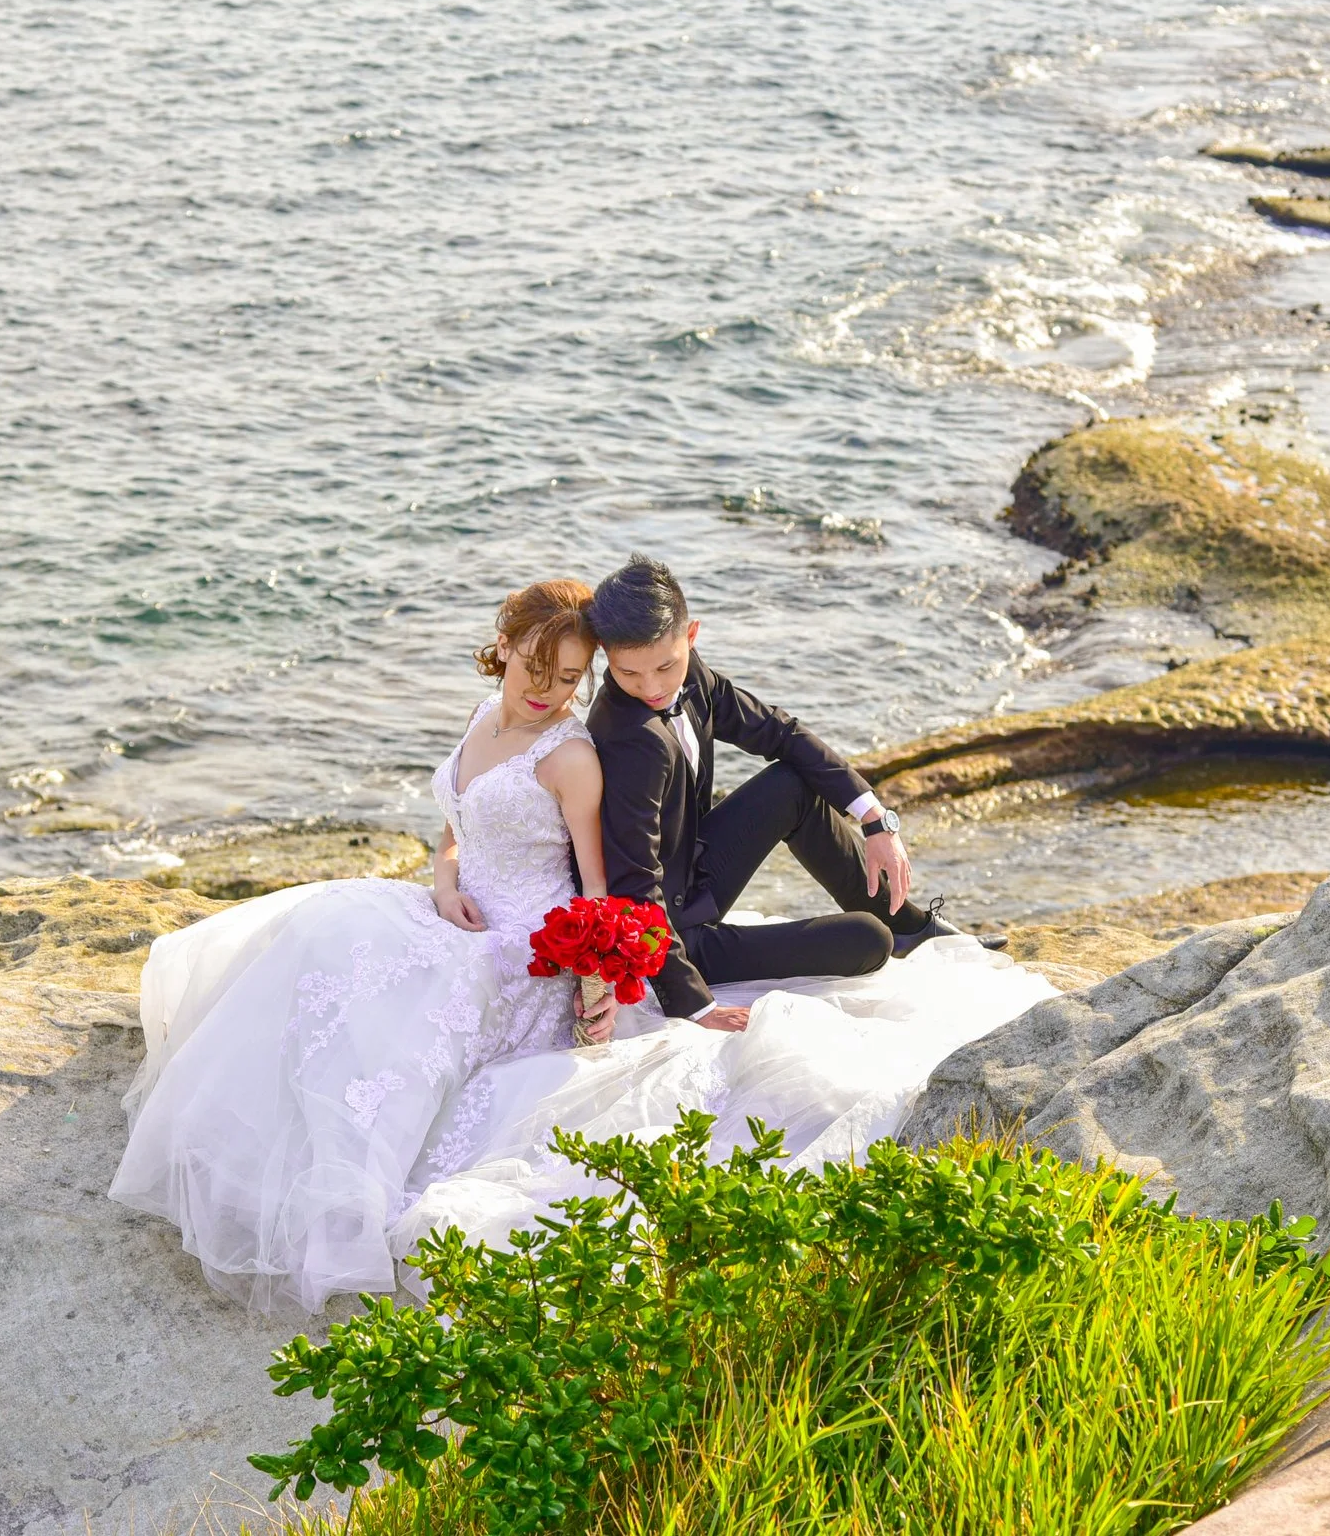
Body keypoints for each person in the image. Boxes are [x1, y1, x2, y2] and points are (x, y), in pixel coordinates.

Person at [108, 580, 606, 1312]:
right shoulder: (480, 717)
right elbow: (454, 830)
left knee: (397, 1010)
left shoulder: (571, 757)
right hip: (454, 908)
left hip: (522, 948)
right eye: (536, 667)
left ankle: (344, 1195)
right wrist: (442, 887)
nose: (549, 691)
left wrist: (595, 988)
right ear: (502, 646)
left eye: (569, 677)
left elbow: (595, 889)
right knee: (323, 926)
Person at [583, 554, 990, 1033]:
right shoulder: (631, 739)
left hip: (693, 873)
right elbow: (634, 885)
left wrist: (875, 818)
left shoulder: (692, 676)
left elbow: (781, 733)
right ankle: (891, 932)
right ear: (606, 656)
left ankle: (911, 928)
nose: (651, 687)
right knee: (866, 939)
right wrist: (694, 1005)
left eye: (664, 666)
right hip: (674, 934)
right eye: (628, 674)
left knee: (792, 781)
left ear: (691, 637)